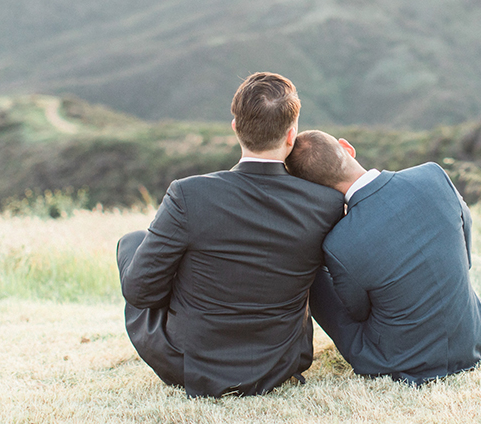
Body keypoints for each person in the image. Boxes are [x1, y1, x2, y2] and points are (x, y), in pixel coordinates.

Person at [116, 73, 345, 397]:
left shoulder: (188, 194)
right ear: (291, 135)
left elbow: (140, 292)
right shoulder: (327, 203)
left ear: (236, 127)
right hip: (281, 362)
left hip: (188, 363)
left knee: (132, 242)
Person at [285, 130, 481, 385]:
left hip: (401, 359)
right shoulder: (433, 175)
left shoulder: (340, 242)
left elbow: (358, 312)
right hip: (473, 339)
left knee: (313, 269)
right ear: (347, 147)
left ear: (313, 189)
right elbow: (466, 249)